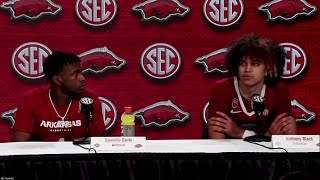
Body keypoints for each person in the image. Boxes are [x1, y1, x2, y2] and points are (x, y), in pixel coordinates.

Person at [207, 33, 297, 139]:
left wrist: (240, 133)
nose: (247, 69)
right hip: (231, 150)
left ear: (268, 68)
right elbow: (216, 144)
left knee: (289, 123)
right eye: (242, 63)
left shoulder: (279, 89)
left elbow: (289, 137)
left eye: (255, 64)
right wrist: (266, 136)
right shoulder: (221, 89)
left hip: (266, 151)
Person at [13, 51, 106, 141]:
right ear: (58, 79)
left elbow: (99, 142)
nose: (82, 78)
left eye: (81, 72)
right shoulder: (31, 99)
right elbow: (20, 145)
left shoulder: (89, 98)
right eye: (75, 74)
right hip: (42, 156)